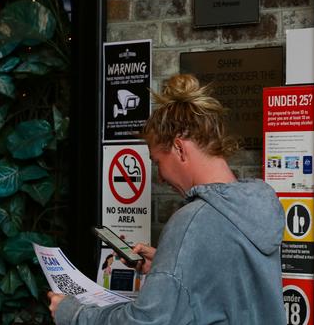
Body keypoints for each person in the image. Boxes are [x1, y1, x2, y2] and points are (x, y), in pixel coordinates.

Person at [48, 74, 285, 324]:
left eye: (158, 162)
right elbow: (230, 290)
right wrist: (168, 263)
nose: (160, 177)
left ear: (180, 149)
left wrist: (72, 313)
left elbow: (146, 321)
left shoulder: (192, 223)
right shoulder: (258, 206)